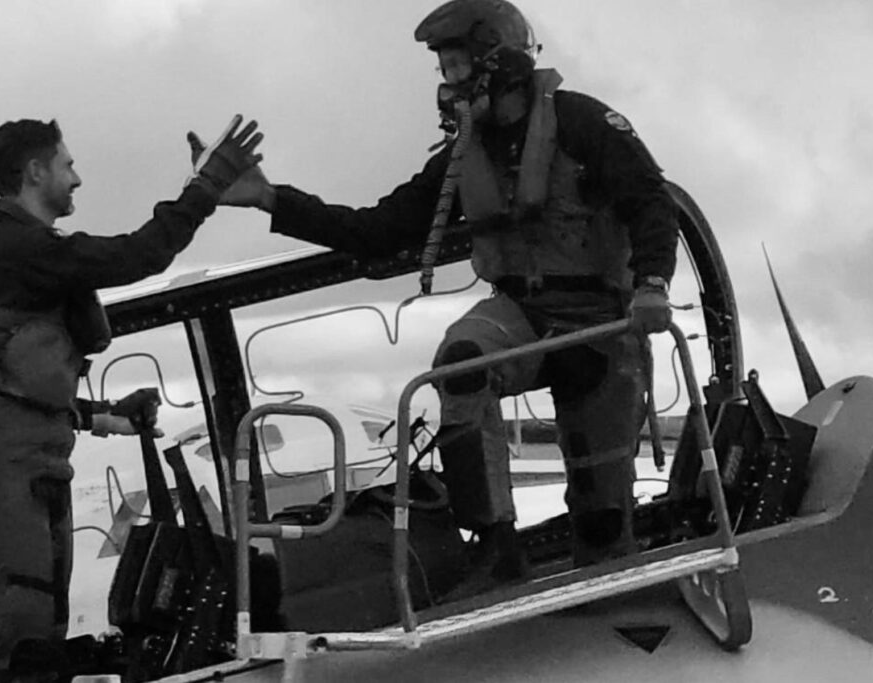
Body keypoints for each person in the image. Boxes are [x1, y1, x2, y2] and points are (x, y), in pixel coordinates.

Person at [214, 0, 679, 596]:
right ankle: (497, 546)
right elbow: (377, 232)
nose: (446, 81)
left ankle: (610, 589)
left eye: (455, 65)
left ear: (498, 61)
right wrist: (271, 198)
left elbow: (650, 203)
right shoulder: (464, 156)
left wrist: (652, 285)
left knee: (603, 514)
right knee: (461, 362)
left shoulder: (584, 124)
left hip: (598, 321)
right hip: (521, 313)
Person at [0, 115, 262, 681]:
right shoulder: (18, 247)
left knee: (40, 632)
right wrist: (205, 189)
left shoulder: (21, 249)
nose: (78, 179)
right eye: (67, 165)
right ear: (36, 171)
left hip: (22, 463)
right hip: (8, 471)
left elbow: (15, 381)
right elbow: (138, 256)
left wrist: (106, 415)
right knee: (27, 641)